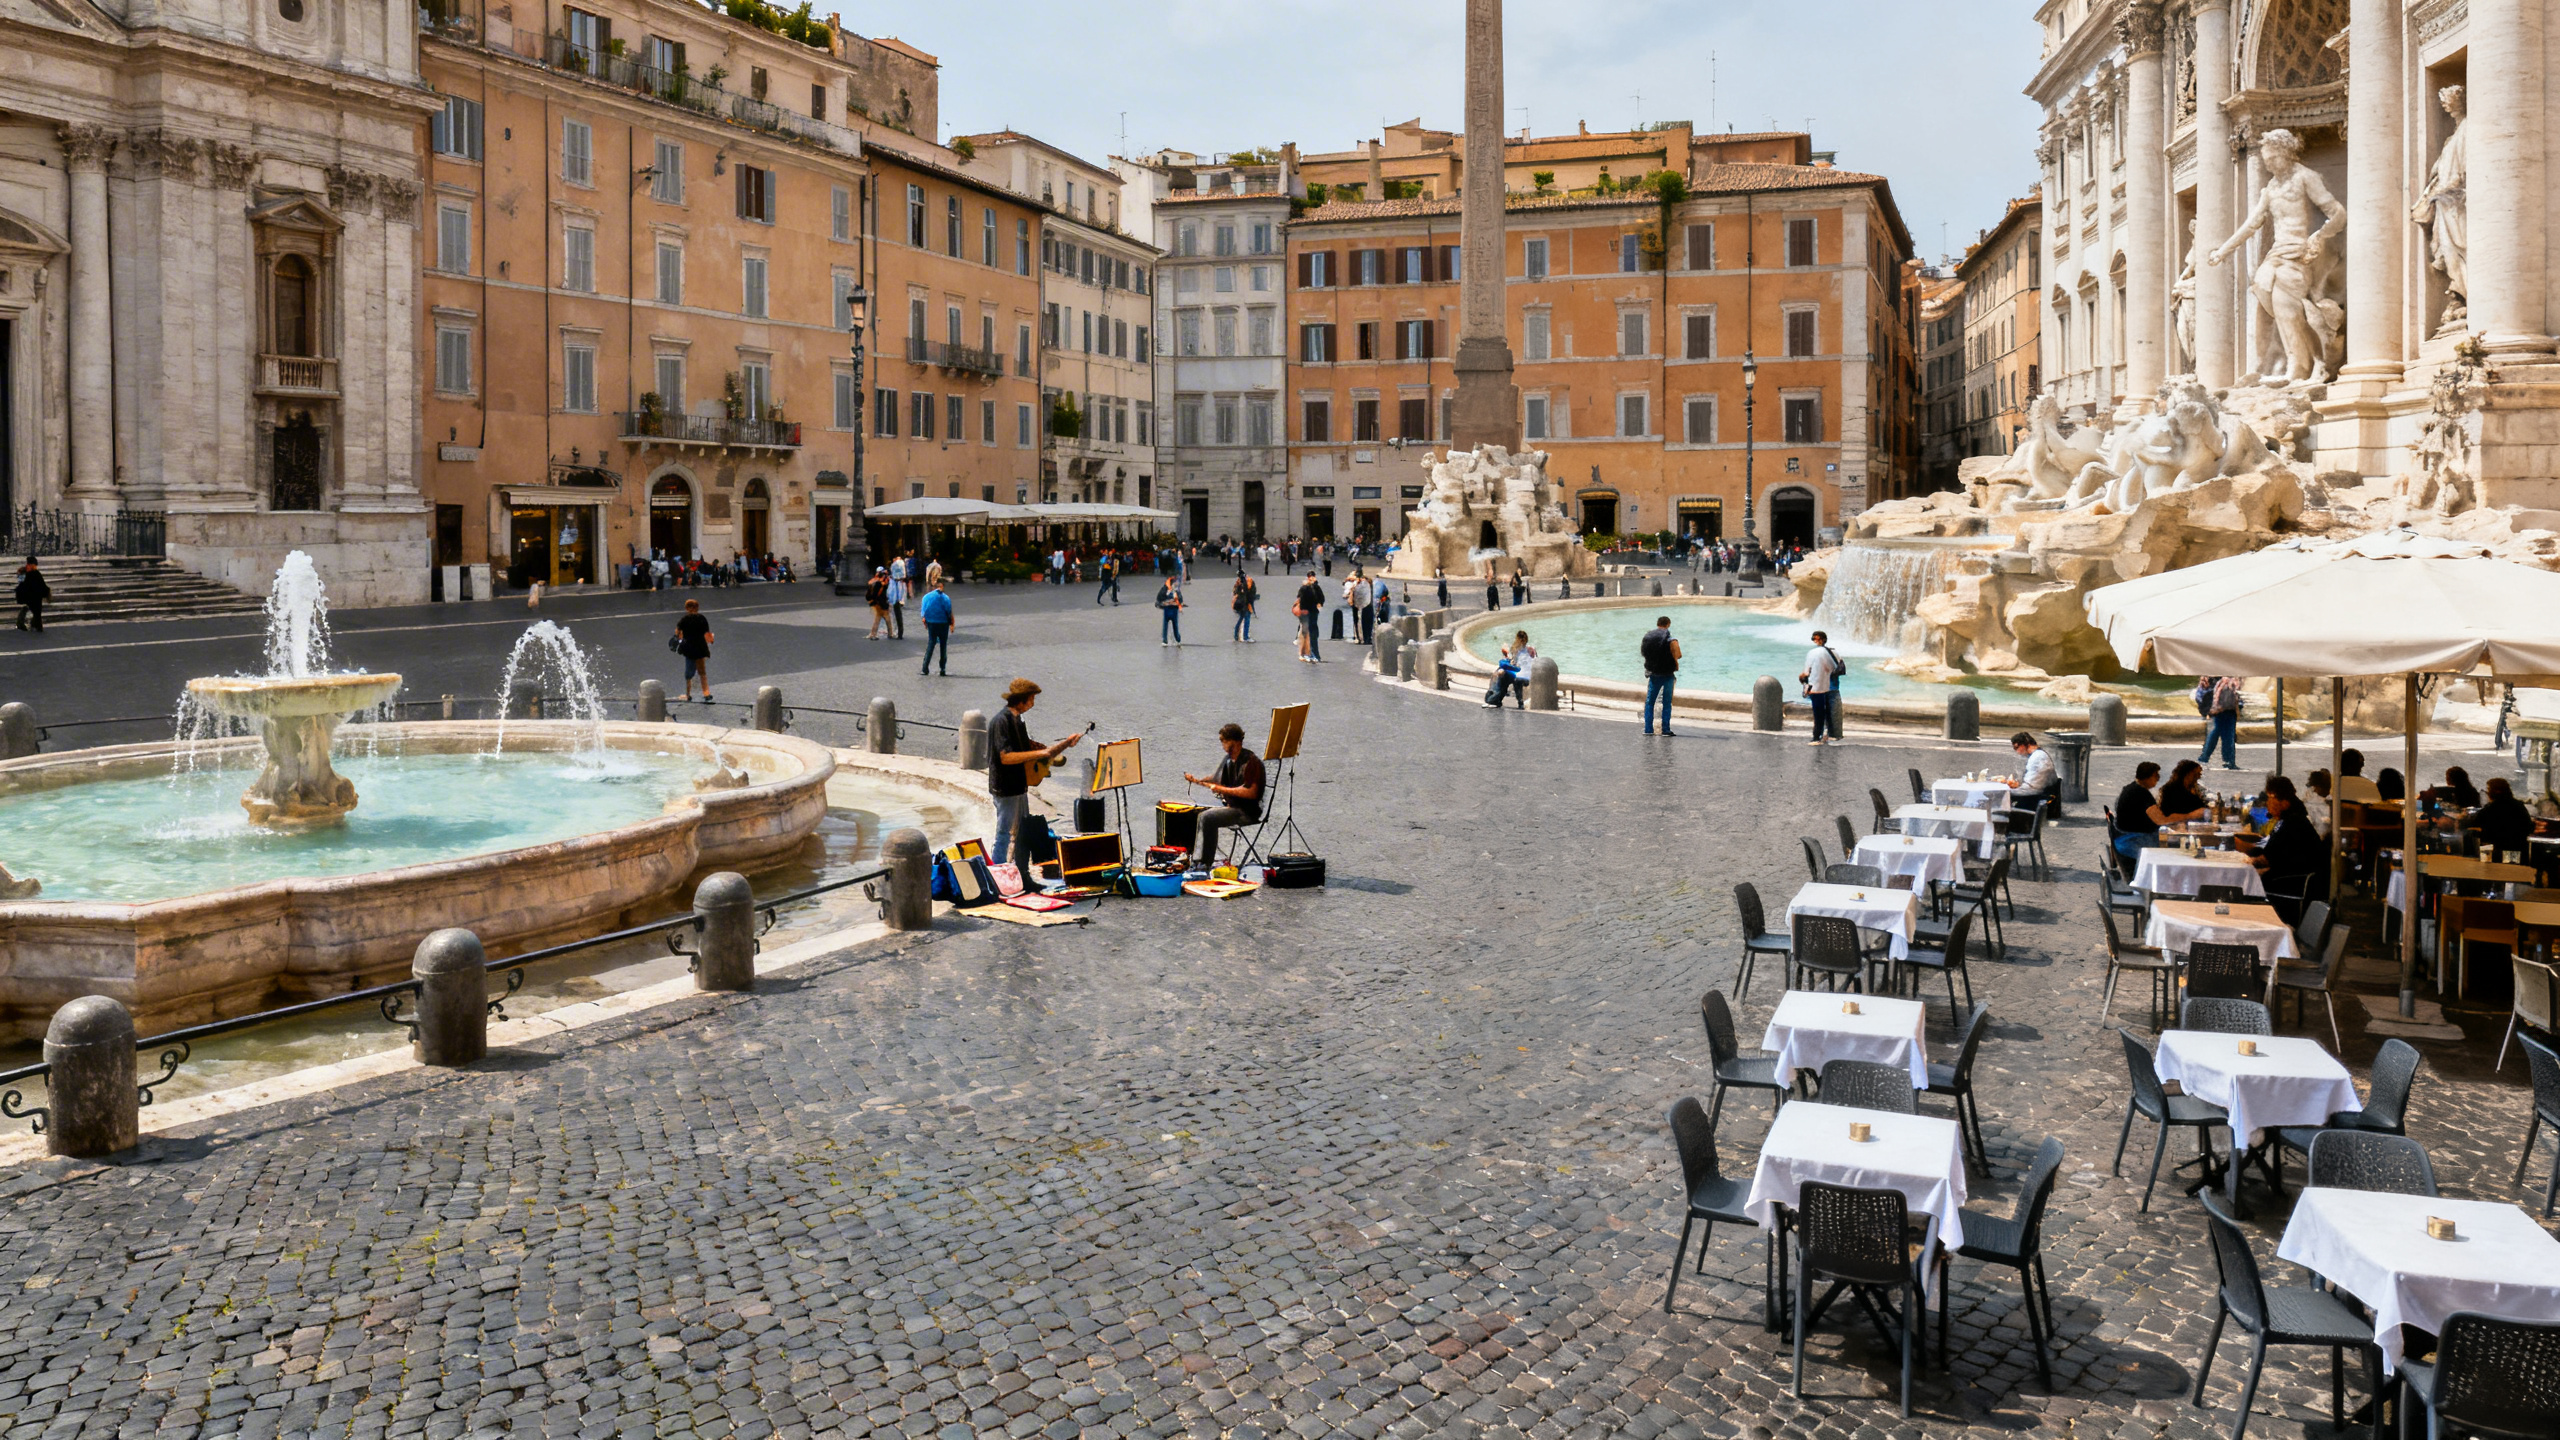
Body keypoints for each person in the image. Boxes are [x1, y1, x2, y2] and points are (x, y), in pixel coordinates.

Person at [986, 678, 1083, 870]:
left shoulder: (1018, 720)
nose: (1033, 703)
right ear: (1021, 700)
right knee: (1004, 833)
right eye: (1031, 699)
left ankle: (1021, 872)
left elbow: (1027, 747)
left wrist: (1064, 744)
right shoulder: (1001, 721)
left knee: (1022, 830)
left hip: (1019, 784)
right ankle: (997, 873)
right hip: (1005, 786)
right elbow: (1005, 757)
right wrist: (1042, 754)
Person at [1182, 722, 1266, 867]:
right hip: (1233, 808)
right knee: (1196, 813)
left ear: (1235, 741)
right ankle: (1193, 859)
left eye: (1224, 741)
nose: (1222, 744)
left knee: (1207, 817)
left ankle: (1204, 864)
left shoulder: (1251, 762)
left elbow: (1252, 792)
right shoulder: (1228, 760)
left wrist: (1222, 790)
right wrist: (1196, 780)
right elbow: (1216, 779)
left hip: (1247, 812)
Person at [2249, 775, 2327, 920]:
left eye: (2270, 798)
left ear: (2284, 803)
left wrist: (2244, 857)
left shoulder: (2293, 822)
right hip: (2289, 877)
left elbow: (2266, 859)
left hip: (2293, 884)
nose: (2267, 803)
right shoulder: (2289, 819)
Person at [2464, 776, 2536, 856]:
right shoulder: (2518, 805)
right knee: (2512, 863)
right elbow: (2529, 826)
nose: (2487, 793)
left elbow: (2475, 822)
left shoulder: (2491, 808)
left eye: (2488, 790)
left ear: (2495, 792)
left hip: (2496, 849)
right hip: (2517, 848)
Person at [2112, 760, 2166, 865]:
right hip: (2134, 838)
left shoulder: (2132, 788)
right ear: (2147, 777)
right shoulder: (2141, 793)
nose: (2158, 779)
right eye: (2156, 776)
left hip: (2127, 835)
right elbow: (2160, 820)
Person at [1639, 615, 1681, 736]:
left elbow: (1643, 653)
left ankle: (1648, 729)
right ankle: (1665, 730)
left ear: (1658, 624)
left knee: (1650, 702)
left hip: (1654, 674)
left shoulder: (1649, 637)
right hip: (1668, 674)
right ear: (1668, 624)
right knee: (1666, 703)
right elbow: (1678, 655)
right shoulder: (1671, 640)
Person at [1799, 630, 1843, 746]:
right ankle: (1832, 734)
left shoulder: (1812, 653)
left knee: (1818, 713)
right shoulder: (1834, 652)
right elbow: (1837, 667)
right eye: (1814, 639)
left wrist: (1802, 679)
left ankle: (1816, 737)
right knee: (1831, 712)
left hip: (1817, 687)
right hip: (1832, 686)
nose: (1815, 641)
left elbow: (1806, 672)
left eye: (1816, 639)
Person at [2195, 674, 2243, 770]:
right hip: (2225, 709)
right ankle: (2228, 760)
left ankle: (2206, 757)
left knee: (2218, 732)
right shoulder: (2228, 681)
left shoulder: (2214, 679)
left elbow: (2201, 694)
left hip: (2219, 709)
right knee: (2226, 735)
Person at [673, 598, 714, 702]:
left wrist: (680, 638)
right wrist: (710, 641)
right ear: (697, 607)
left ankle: (688, 694)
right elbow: (707, 634)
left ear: (687, 608)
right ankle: (706, 693)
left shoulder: (684, 619)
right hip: (700, 647)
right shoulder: (702, 618)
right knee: (702, 672)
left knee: (689, 673)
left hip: (689, 648)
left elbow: (677, 633)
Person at [2006, 731, 2056, 808]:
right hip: (2039, 795)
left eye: (2016, 748)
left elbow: (2032, 788)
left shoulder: (2038, 758)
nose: (2017, 752)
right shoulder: (2039, 754)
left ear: (2023, 745)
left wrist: (2007, 792)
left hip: (2035, 799)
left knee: (2003, 796)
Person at [1486, 631, 1534, 709]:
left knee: (1508, 677)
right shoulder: (1525, 649)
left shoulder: (1524, 649)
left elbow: (1519, 663)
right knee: (1504, 676)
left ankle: (1496, 699)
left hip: (1522, 675)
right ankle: (1497, 699)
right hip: (1522, 673)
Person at [2157, 759, 2211, 824]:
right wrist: (2191, 815)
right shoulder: (2170, 790)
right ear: (2188, 774)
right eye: (2196, 774)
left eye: (2199, 774)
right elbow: (2167, 815)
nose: (2199, 777)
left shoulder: (2196, 788)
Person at [918, 580, 954, 677]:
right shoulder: (945, 598)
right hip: (943, 623)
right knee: (943, 645)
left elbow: (923, 612)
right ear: (941, 587)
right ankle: (942, 669)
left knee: (931, 643)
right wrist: (951, 624)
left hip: (931, 622)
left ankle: (925, 668)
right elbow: (949, 611)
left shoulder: (926, 597)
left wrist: (925, 623)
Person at [1294, 571, 1325, 663]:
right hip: (1307, 612)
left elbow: (1321, 598)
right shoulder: (1305, 588)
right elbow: (1301, 598)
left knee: (1311, 633)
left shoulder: (1315, 587)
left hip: (1311, 612)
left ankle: (1311, 654)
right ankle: (1307, 654)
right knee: (1307, 633)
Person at [13, 557, 48, 633]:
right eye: (33, 565)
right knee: (35, 610)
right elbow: (22, 583)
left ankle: (33, 625)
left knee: (35, 611)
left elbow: (41, 584)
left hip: (34, 595)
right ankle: (33, 625)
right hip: (31, 595)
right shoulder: (26, 572)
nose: (34, 566)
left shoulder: (33, 572)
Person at [1155, 574, 1185, 645]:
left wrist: (1179, 605)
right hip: (1169, 609)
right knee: (1168, 626)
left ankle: (1176, 639)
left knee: (1174, 625)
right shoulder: (1166, 590)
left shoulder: (1175, 591)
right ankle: (1166, 640)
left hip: (1172, 610)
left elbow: (1180, 600)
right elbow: (1160, 598)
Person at [886, 556, 910, 639]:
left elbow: (890, 591)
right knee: (897, 615)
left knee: (895, 615)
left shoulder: (894, 581)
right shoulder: (900, 582)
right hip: (898, 599)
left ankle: (896, 633)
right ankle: (898, 633)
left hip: (895, 599)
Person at [864, 568, 890, 640]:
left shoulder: (873, 581)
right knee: (881, 618)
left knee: (885, 618)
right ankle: (874, 634)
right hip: (880, 603)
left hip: (875, 602)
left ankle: (874, 633)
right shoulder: (882, 583)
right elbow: (881, 594)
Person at [1231, 573, 1258, 642]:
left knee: (1241, 619)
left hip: (1238, 604)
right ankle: (1246, 637)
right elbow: (1247, 592)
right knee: (1247, 619)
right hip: (1244, 604)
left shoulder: (1238, 583)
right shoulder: (1246, 582)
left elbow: (1235, 592)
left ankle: (1236, 635)